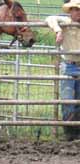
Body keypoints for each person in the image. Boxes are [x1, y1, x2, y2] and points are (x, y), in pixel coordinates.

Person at [46, 0, 80, 141]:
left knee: (78, 100)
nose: (78, 12)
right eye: (76, 10)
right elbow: (50, 18)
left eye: (79, 10)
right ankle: (69, 133)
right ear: (70, 11)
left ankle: (76, 132)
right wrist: (58, 30)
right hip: (69, 65)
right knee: (67, 100)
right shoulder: (65, 21)